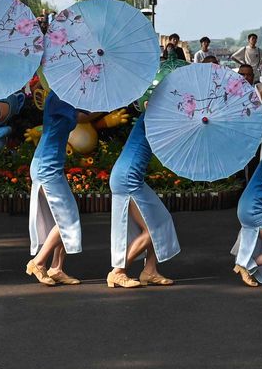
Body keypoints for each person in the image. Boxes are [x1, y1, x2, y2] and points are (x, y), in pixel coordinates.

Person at [27, 89, 93, 287]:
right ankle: (38, 262)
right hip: (46, 165)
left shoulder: (69, 96)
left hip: (52, 164)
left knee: (67, 214)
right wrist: (105, 106)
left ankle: (57, 268)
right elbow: (81, 117)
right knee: (68, 218)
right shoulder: (58, 97)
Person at [106, 112, 180, 288]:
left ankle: (150, 270)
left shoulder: (159, 115)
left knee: (162, 220)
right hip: (128, 178)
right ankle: (118, 272)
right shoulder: (155, 115)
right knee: (153, 229)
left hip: (129, 176)